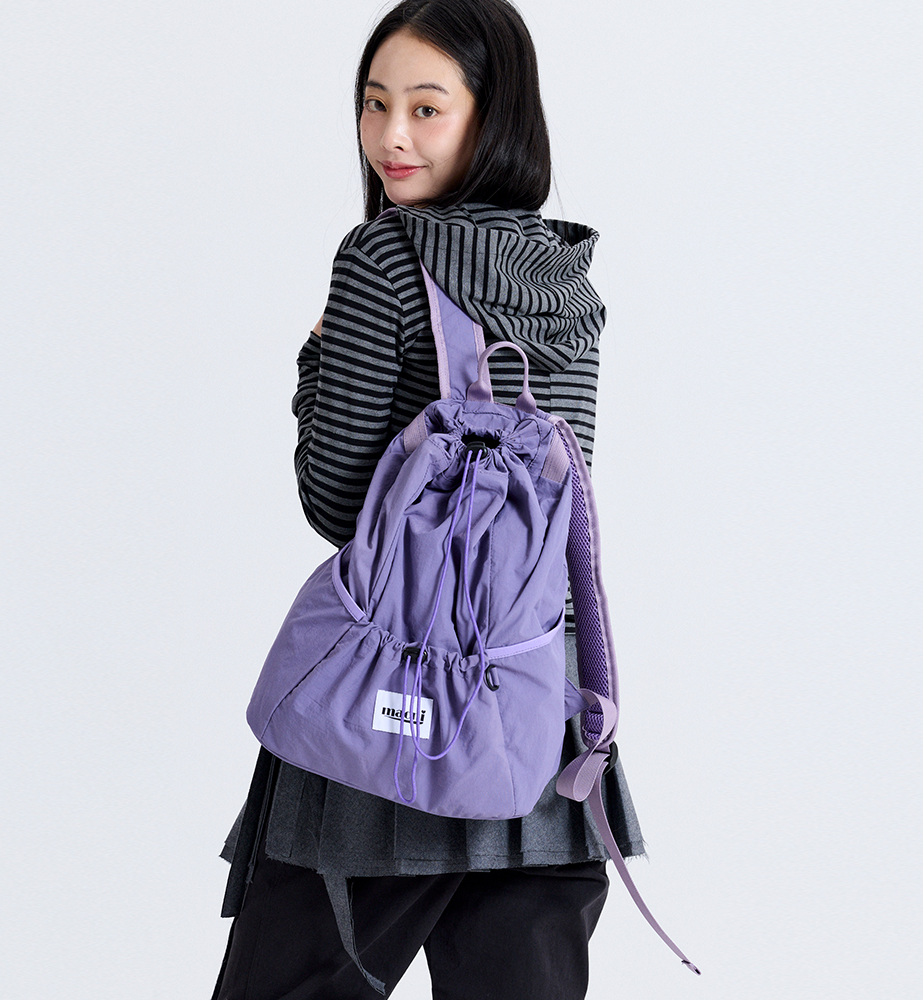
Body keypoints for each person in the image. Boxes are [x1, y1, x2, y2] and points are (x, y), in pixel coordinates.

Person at [211, 2, 644, 997]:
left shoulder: (383, 258)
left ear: (492, 116)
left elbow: (335, 502)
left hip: (390, 713)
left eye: (425, 107)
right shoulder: (566, 277)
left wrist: (315, 360)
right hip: (536, 721)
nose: (390, 135)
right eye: (374, 104)